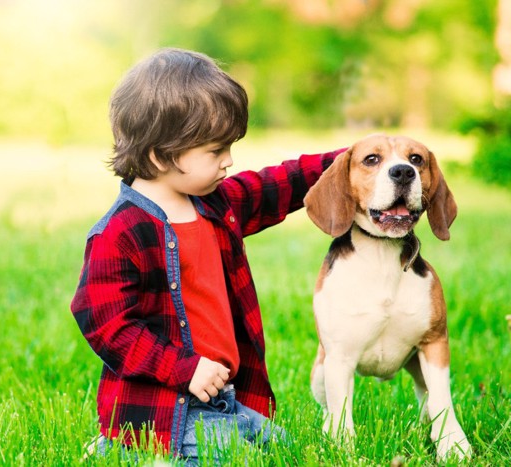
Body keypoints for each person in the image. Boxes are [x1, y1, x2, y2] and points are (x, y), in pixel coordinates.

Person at [70, 47, 344, 462]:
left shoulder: (215, 204)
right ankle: (123, 444)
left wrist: (350, 161)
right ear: (160, 155)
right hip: (165, 409)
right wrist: (183, 367)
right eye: (215, 151)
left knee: (287, 450)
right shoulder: (120, 233)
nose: (229, 161)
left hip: (223, 397)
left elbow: (277, 184)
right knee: (240, 458)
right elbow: (109, 327)